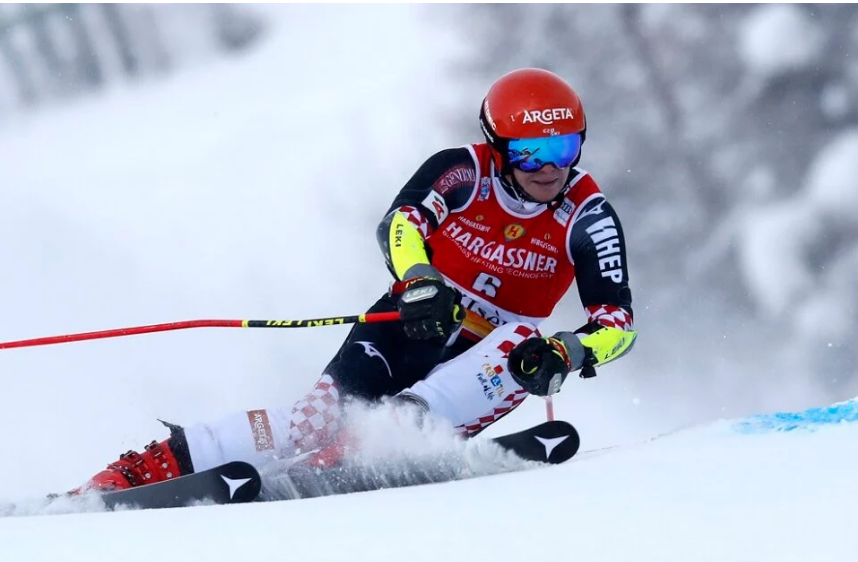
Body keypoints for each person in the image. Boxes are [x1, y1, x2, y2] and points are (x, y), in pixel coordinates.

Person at [78, 67, 637, 492]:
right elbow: (401, 223)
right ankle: (138, 474)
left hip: (490, 356)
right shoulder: (463, 172)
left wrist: (570, 351)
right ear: (499, 147)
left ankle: (370, 448)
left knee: (520, 347)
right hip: (416, 320)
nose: (549, 167)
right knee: (312, 420)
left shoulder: (587, 216)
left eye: (564, 148)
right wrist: (419, 278)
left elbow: (618, 325)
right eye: (530, 152)